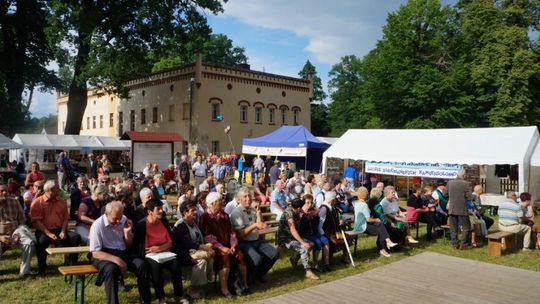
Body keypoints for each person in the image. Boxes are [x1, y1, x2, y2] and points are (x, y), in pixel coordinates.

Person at [89, 201, 152, 304]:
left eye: (120, 216)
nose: (119, 221)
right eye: (115, 218)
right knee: (111, 269)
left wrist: (127, 233)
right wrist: (117, 260)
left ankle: (146, 300)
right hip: (103, 254)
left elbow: (129, 245)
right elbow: (95, 253)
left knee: (142, 265)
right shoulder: (97, 225)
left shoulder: (123, 219)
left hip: (122, 251)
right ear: (106, 214)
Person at [132, 199, 187, 304]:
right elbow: (139, 247)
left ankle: (179, 295)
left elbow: (170, 242)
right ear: (150, 212)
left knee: (176, 265)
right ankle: (161, 298)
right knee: (155, 268)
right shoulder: (141, 225)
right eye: (159, 209)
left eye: (162, 208)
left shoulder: (163, 221)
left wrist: (159, 249)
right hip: (149, 255)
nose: (162, 211)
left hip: (164, 252)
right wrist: (155, 250)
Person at [200, 192, 249, 297]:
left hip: (228, 246)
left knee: (240, 255)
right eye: (219, 201)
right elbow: (207, 237)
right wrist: (221, 247)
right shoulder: (205, 217)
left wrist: (233, 245)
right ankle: (224, 288)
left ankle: (244, 285)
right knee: (225, 257)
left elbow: (231, 232)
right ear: (212, 204)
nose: (222, 202)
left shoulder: (224, 215)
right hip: (215, 248)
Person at [30, 180, 81, 274]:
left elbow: (66, 219)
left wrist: (63, 231)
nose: (59, 190)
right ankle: (42, 268)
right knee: (41, 242)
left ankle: (71, 263)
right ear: (50, 190)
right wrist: (48, 233)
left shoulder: (61, 202)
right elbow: (36, 222)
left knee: (75, 237)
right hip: (44, 230)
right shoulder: (38, 202)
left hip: (59, 229)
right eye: (57, 188)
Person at [230, 188, 278, 285]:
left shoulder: (252, 209)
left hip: (256, 240)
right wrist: (255, 225)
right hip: (243, 242)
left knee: (274, 254)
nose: (248, 198)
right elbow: (240, 234)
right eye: (245, 196)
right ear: (239, 199)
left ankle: (258, 275)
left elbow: (260, 224)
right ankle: (247, 278)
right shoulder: (236, 213)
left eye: (249, 196)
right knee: (256, 259)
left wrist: (258, 213)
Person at [172, 202, 214, 299]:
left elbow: (200, 238)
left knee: (210, 259)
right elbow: (187, 244)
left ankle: (200, 284)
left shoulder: (193, 223)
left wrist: (208, 246)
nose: (195, 212)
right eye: (192, 211)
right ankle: (192, 289)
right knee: (201, 262)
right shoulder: (180, 225)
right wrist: (205, 248)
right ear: (184, 213)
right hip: (183, 253)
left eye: (195, 210)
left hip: (194, 251)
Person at [277, 198, 319, 280]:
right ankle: (308, 271)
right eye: (301, 208)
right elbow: (293, 230)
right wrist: (303, 242)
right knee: (304, 248)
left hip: (292, 237)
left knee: (311, 244)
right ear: (299, 208)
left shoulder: (296, 210)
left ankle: (294, 258)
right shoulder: (289, 214)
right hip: (285, 239)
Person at [0, 182, 36, 276]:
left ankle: (25, 270)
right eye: (1, 191)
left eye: (6, 191)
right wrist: (1, 237)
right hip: (1, 235)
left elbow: (22, 220)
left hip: (15, 232)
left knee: (29, 243)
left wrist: (17, 235)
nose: (4, 193)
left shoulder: (14, 201)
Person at [352, 187, 397, 257]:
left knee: (380, 226)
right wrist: (376, 219)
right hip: (363, 226)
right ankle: (383, 247)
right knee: (381, 228)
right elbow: (368, 219)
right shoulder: (364, 205)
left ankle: (386, 244)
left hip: (358, 225)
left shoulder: (357, 203)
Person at [299, 194, 331, 272]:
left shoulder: (312, 210)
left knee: (325, 241)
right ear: (303, 203)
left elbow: (316, 224)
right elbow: (300, 227)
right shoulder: (300, 211)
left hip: (314, 233)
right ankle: (315, 264)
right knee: (317, 243)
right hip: (305, 234)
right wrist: (307, 218)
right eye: (307, 202)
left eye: (311, 202)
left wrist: (314, 216)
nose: (310, 204)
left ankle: (326, 263)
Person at [445, 170, 472, 250]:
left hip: (452, 208)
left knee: (453, 228)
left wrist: (452, 199)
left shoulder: (450, 183)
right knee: (466, 227)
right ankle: (463, 244)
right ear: (463, 176)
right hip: (462, 209)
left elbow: (444, 194)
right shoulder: (467, 184)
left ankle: (455, 244)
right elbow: (469, 197)